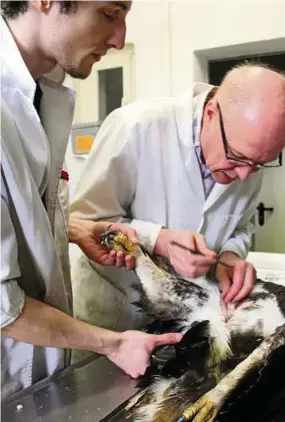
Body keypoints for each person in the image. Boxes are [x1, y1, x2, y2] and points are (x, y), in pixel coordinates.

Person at [1, 0, 181, 400]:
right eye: (110, 14)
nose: (120, 39)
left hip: (38, 369)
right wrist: (113, 343)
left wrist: (74, 229)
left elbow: (18, 211)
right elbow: (3, 306)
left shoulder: (41, 94)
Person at [69, 63, 285, 361]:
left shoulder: (249, 156)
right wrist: (157, 240)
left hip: (189, 322)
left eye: (259, 164)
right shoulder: (135, 127)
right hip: (114, 321)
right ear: (212, 114)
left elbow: (242, 224)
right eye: (237, 158)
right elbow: (83, 222)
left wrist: (231, 254)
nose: (244, 175)